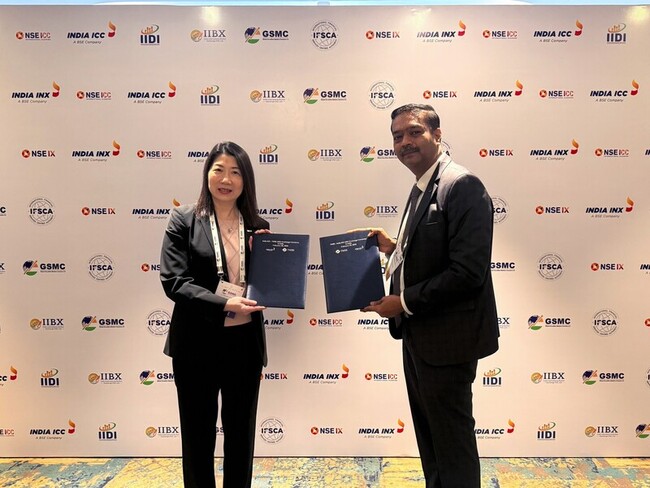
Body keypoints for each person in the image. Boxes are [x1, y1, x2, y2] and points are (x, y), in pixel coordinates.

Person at [362, 104, 499, 487]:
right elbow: (433, 253)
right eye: (397, 136)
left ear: (437, 135)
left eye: (414, 132)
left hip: (448, 341)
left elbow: (467, 272)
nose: (404, 142)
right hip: (420, 337)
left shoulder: (462, 185)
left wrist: (402, 302)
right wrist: (394, 248)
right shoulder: (423, 185)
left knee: (452, 444)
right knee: (432, 440)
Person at [160, 141, 269, 488]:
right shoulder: (184, 219)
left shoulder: (257, 225)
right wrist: (223, 304)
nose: (226, 179)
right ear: (207, 173)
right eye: (219, 170)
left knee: (241, 434)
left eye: (236, 172)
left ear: (245, 180)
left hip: (244, 343)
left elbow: (268, 284)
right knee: (197, 435)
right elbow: (174, 281)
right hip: (196, 343)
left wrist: (268, 260)